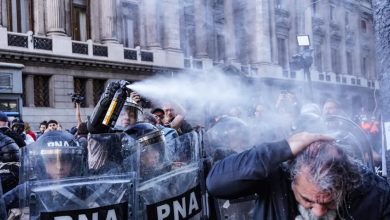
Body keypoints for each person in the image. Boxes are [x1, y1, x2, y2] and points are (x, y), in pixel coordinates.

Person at [206, 132, 390, 219]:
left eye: (329, 202)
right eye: (307, 200)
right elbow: (216, 183)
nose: (318, 213)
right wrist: (284, 147)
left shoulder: (376, 195)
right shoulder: (276, 175)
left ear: (348, 182)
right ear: (291, 178)